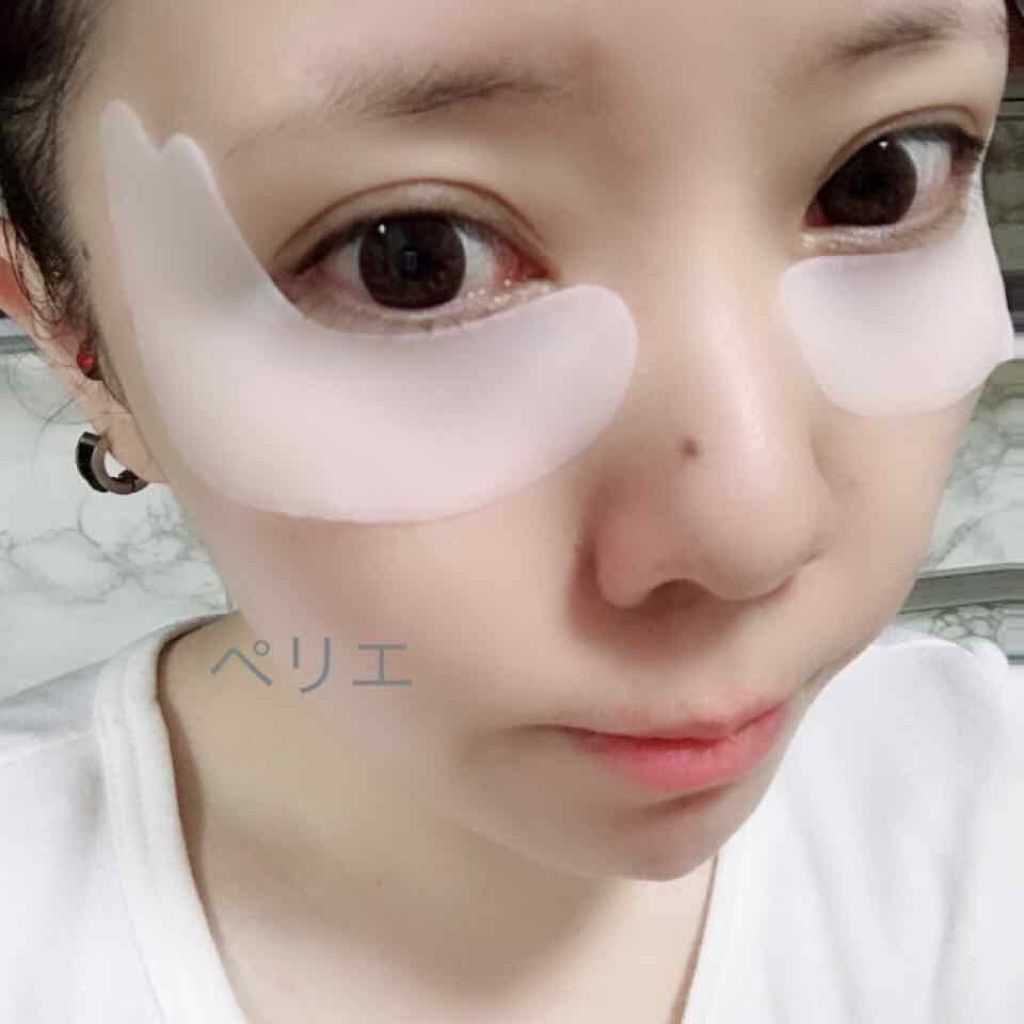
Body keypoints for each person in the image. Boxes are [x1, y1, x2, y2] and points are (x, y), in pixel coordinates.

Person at [0, 1, 1021, 1021]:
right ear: (74, 341)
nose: (753, 534)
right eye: (414, 261)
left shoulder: (981, 796)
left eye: (880, 179)